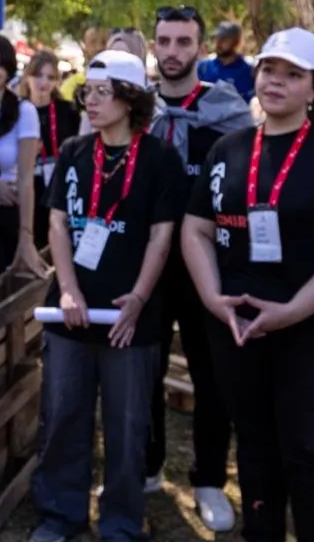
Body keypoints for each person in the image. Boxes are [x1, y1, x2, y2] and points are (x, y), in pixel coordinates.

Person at [183, 28, 314, 541]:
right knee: (255, 447)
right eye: (269, 70)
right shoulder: (228, 148)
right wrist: (211, 297)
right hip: (238, 328)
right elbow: (196, 228)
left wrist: (292, 310)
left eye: (292, 74)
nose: (276, 81)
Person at [31, 50, 182, 542]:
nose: (90, 102)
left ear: (131, 98)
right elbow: (57, 223)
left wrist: (138, 298)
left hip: (129, 320)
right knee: (62, 418)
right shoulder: (75, 151)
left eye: (103, 92)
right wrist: (68, 290)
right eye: (87, 93)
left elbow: (162, 235)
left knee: (128, 427)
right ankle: (60, 515)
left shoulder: (160, 158)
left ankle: (121, 524)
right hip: (70, 312)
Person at [144, 4, 251, 532]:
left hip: (209, 265)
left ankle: (209, 479)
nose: (172, 52)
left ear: (201, 48)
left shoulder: (228, 111)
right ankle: (146, 467)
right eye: (164, 41)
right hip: (146, 264)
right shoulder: (135, 107)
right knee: (143, 369)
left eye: (183, 42)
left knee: (213, 376)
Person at [0, 33, 47, 276]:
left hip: (7, 216)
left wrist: (26, 237)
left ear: (9, 69)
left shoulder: (24, 111)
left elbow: (26, 179)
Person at [20, 49, 82, 250]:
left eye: (50, 77)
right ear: (28, 77)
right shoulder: (17, 111)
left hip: (59, 186)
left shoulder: (68, 111)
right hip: (27, 187)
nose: (43, 82)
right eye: (38, 75)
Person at [197, 21, 255, 101]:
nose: (218, 43)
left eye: (224, 40)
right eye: (217, 38)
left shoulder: (249, 70)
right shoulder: (204, 67)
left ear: (236, 42)